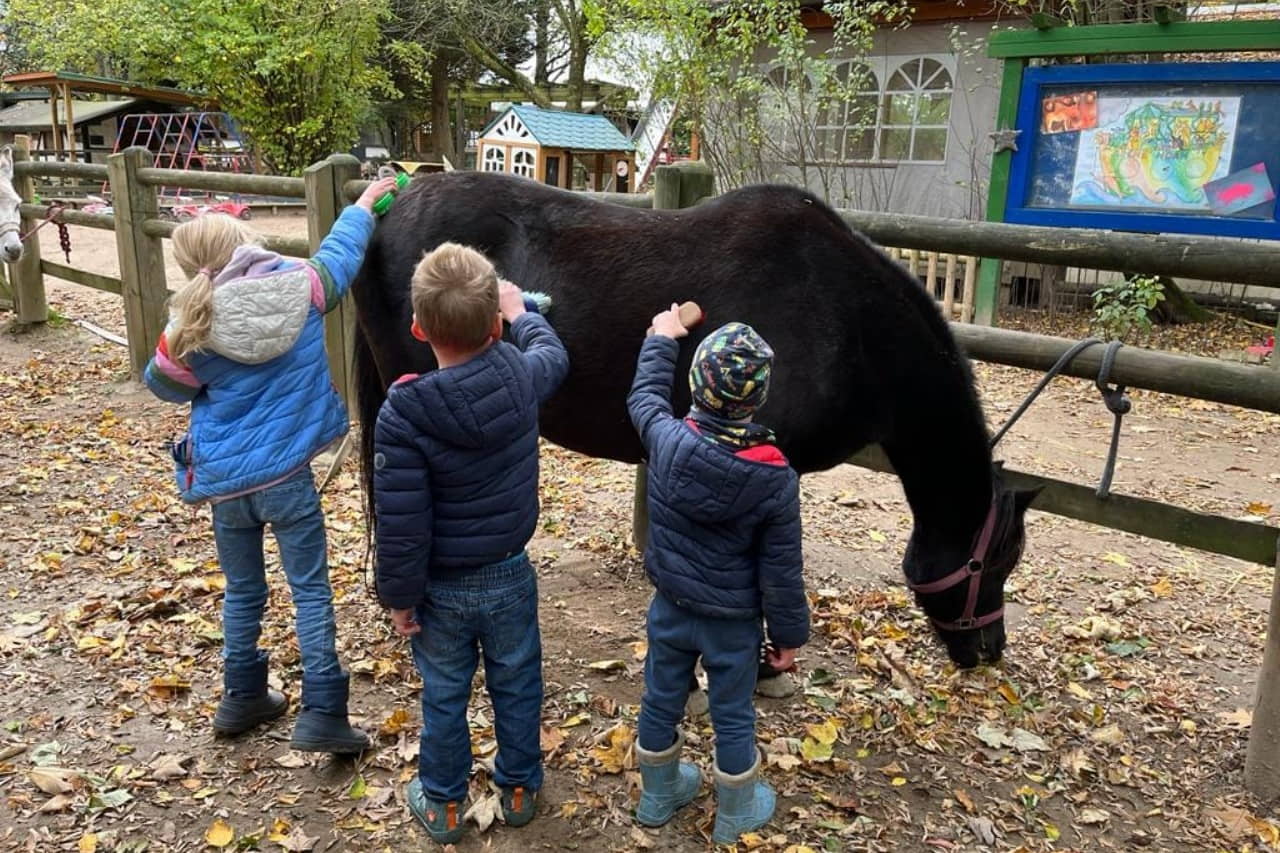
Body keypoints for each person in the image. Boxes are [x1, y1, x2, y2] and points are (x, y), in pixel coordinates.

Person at [143, 175, 401, 754]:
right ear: (243, 243)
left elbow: (163, 385)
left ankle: (242, 695)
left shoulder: (190, 325)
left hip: (228, 488)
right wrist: (363, 206)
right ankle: (324, 711)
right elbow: (340, 256)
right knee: (309, 590)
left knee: (242, 591)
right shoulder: (302, 286)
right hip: (289, 479)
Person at [372, 242, 569, 845]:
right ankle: (519, 787)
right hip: (509, 574)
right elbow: (553, 355)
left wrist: (399, 596)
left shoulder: (403, 413)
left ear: (418, 328)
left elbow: (401, 522)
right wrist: (523, 313)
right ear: (494, 326)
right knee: (518, 682)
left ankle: (444, 802)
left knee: (444, 694)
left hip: (441, 589)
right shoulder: (520, 375)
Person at [627, 310, 809, 844]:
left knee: (660, 698)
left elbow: (644, 399)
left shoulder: (666, 440)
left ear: (694, 384)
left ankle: (657, 794)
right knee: (732, 713)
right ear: (758, 399)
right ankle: (736, 810)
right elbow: (781, 569)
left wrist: (662, 339)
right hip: (732, 623)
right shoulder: (774, 480)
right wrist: (789, 636)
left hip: (670, 608)